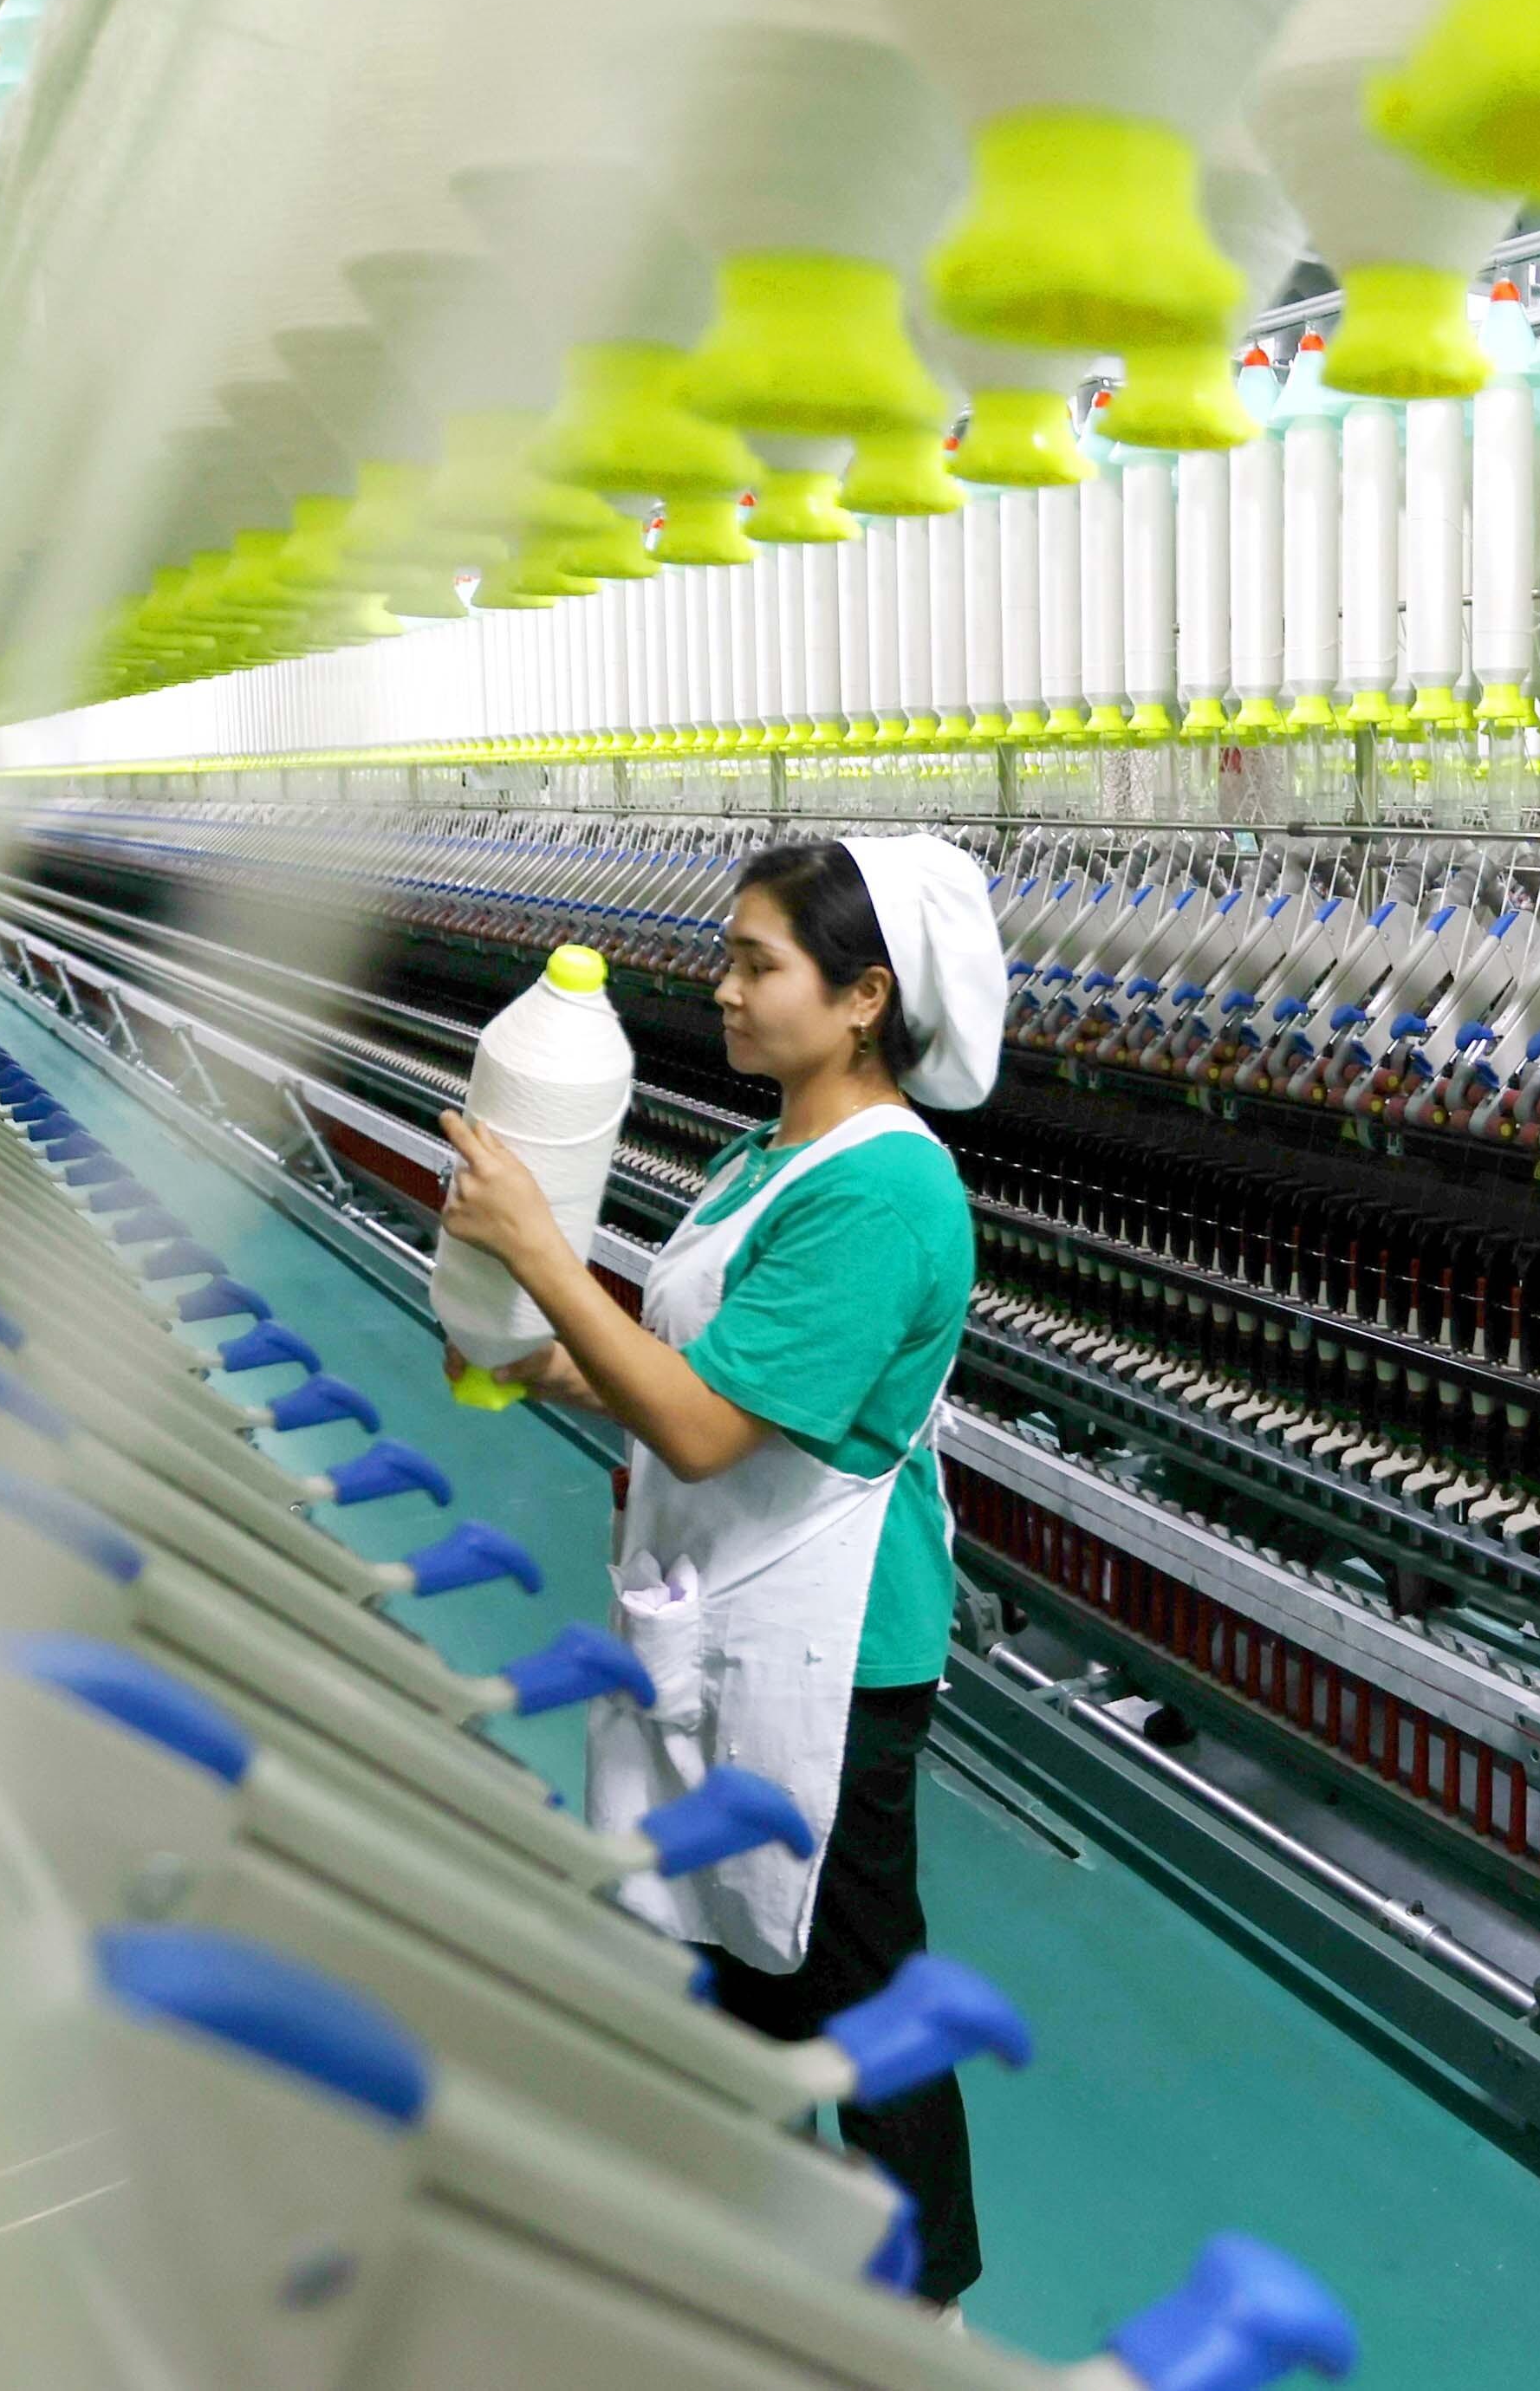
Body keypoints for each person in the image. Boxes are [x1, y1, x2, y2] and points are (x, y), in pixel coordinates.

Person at [432, 834, 1002, 2301]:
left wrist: (539, 1250)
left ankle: (919, 2308)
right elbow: (686, 1368)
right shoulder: (769, 1155)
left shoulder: (885, 1190)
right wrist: (533, 1355)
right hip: (731, 1621)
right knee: (740, 1961)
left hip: (834, 1654)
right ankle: (766, 2264)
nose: (725, 989)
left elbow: (696, 1428)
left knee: (854, 1991)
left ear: (865, 997)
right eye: (728, 958)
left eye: (759, 964)